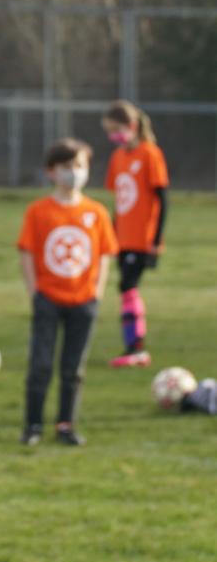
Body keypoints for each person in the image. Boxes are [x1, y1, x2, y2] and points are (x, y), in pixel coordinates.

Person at [17, 138, 118, 446]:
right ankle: (33, 425)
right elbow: (27, 252)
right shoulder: (39, 211)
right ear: (51, 171)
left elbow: (104, 253)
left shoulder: (96, 212)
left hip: (83, 300)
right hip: (48, 299)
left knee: (73, 368)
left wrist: (97, 292)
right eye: (66, 166)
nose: (73, 172)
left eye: (79, 166)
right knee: (41, 365)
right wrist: (35, 292)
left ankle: (66, 425)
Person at [102, 99, 169, 368]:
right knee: (126, 288)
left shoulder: (150, 154)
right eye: (109, 131)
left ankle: (136, 348)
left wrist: (156, 239)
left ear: (131, 126)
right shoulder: (118, 157)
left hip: (142, 237)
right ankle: (133, 346)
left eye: (116, 129)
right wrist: (112, 235)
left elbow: (163, 199)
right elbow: (119, 201)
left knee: (128, 286)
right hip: (123, 237)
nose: (113, 136)